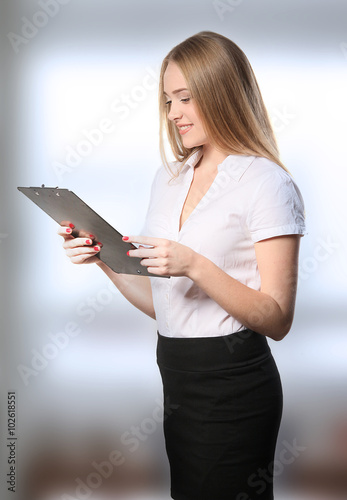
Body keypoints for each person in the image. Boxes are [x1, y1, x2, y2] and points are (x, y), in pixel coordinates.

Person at [58, 31, 306, 500]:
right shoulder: (168, 178)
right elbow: (167, 307)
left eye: (186, 98)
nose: (173, 114)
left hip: (233, 382)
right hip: (176, 373)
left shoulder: (266, 183)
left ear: (221, 93)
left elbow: (277, 319)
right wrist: (103, 262)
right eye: (168, 100)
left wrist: (194, 264)